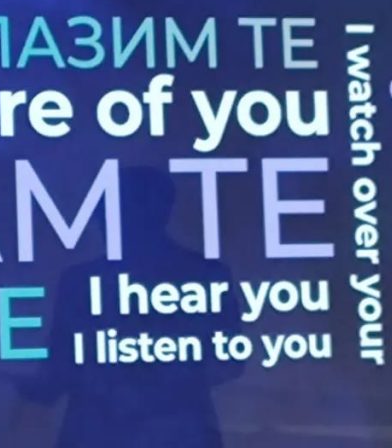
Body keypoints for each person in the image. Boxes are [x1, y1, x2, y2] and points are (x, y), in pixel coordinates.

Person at [14, 166, 243, 447]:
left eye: (110, 211)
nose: (101, 221)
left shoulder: (81, 282)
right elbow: (58, 371)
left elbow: (229, 361)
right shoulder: (206, 274)